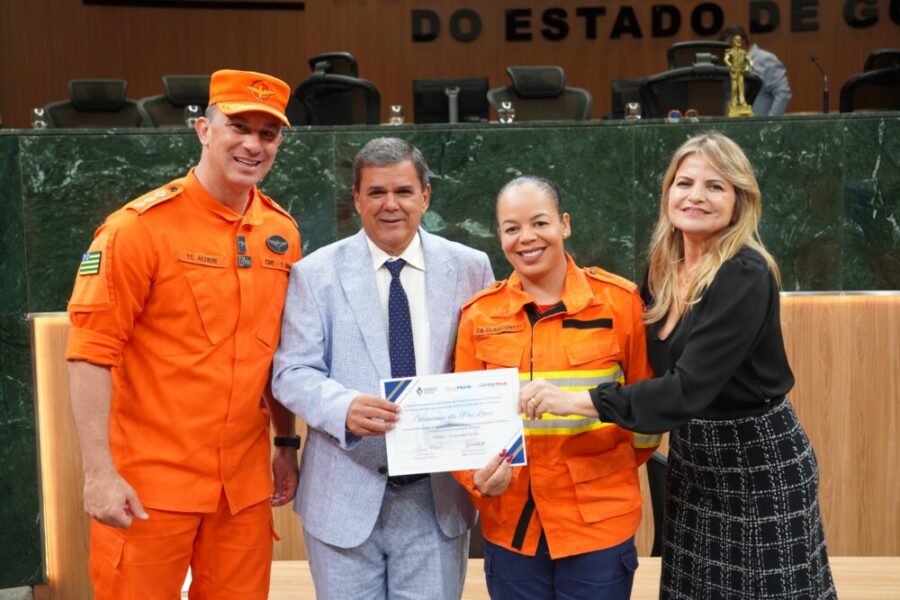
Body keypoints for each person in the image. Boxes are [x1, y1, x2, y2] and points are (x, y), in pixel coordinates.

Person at [520, 133, 835, 599]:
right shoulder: (662, 268)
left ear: (739, 201)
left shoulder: (745, 275)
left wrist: (575, 401)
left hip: (757, 466)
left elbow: (685, 389)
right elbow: (632, 355)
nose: (695, 196)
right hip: (692, 462)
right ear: (668, 192)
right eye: (684, 182)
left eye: (715, 186)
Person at [65, 69, 302, 599]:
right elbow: (89, 353)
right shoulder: (137, 229)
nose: (253, 144)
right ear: (202, 129)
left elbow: (277, 351)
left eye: (268, 133)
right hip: (149, 487)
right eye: (238, 126)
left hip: (241, 490)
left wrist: (286, 442)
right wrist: (99, 474)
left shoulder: (281, 232)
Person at [272, 137, 494, 599]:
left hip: (434, 504)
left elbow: (489, 367)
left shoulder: (471, 268)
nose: (390, 205)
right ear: (356, 198)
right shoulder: (314, 274)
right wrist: (343, 406)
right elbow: (291, 371)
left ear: (425, 196)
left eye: (403, 191)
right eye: (376, 192)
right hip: (343, 495)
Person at [452, 176, 661, 599]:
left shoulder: (620, 304)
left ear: (564, 225)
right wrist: (475, 479)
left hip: (597, 524)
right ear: (500, 236)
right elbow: (463, 424)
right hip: (514, 525)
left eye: (539, 223)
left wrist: (602, 472)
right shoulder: (479, 315)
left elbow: (647, 415)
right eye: (512, 228)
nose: (526, 238)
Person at [722, 25, 793, 116]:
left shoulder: (766, 60)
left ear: (741, 42)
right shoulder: (729, 64)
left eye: (729, 47)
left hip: (760, 126)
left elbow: (783, 94)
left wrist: (770, 123)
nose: (728, 52)